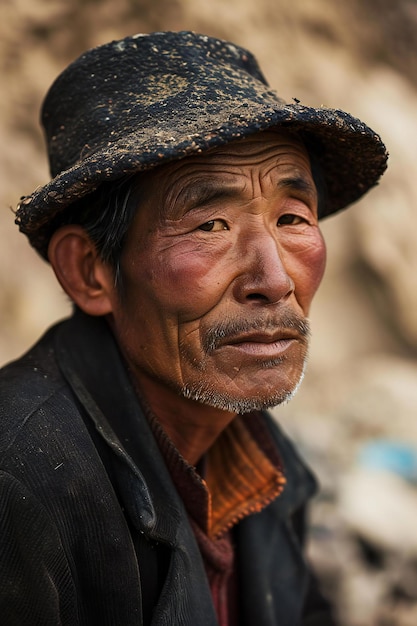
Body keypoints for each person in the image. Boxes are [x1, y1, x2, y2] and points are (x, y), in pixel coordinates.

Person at [0, 31, 387, 626]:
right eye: (210, 225)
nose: (275, 278)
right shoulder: (18, 483)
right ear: (90, 272)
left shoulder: (262, 459)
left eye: (291, 217)